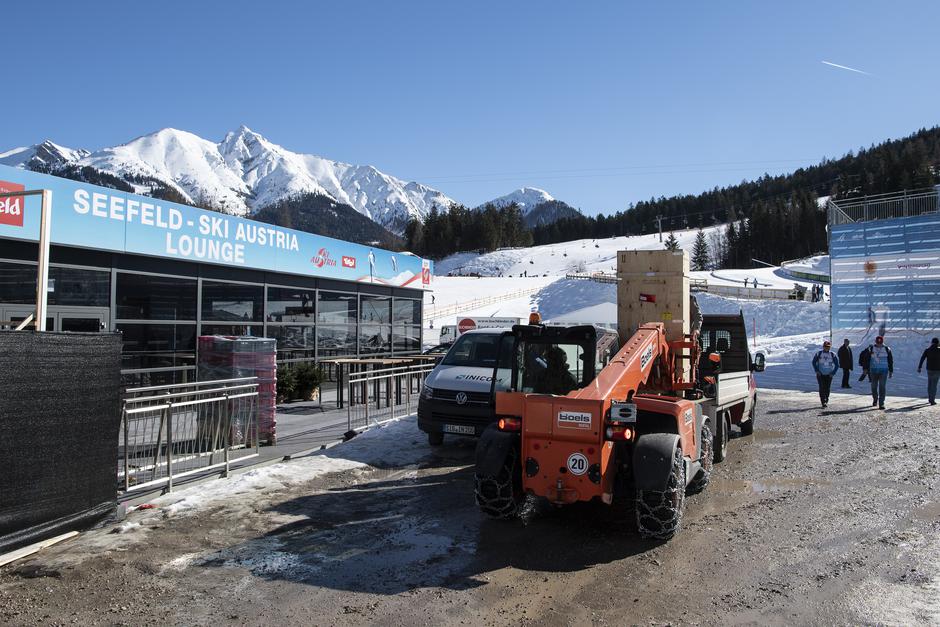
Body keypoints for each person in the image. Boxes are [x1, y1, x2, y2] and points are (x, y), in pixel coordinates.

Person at [866, 336, 893, 409]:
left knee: (882, 387)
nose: (879, 344)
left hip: (883, 371)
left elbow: (890, 360)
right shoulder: (871, 349)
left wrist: (891, 371)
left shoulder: (887, 349)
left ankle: (881, 403)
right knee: (873, 386)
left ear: (882, 342)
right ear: (875, 342)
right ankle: (875, 399)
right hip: (873, 371)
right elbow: (867, 359)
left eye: (880, 343)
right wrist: (865, 369)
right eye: (878, 343)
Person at [812, 340, 839, 408]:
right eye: (826, 346)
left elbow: (837, 365)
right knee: (821, 387)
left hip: (829, 374)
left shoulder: (833, 354)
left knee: (827, 388)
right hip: (820, 374)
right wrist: (817, 370)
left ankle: (826, 399)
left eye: (828, 347)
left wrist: (833, 373)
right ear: (823, 347)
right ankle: (823, 401)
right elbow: (813, 362)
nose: (827, 348)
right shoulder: (819, 353)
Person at [917, 337, 940, 405]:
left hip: (929, 369)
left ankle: (930, 398)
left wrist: (919, 367)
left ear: (932, 342)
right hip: (937, 370)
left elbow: (922, 358)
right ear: (938, 343)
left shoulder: (927, 350)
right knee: (934, 385)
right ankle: (932, 400)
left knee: (930, 384)